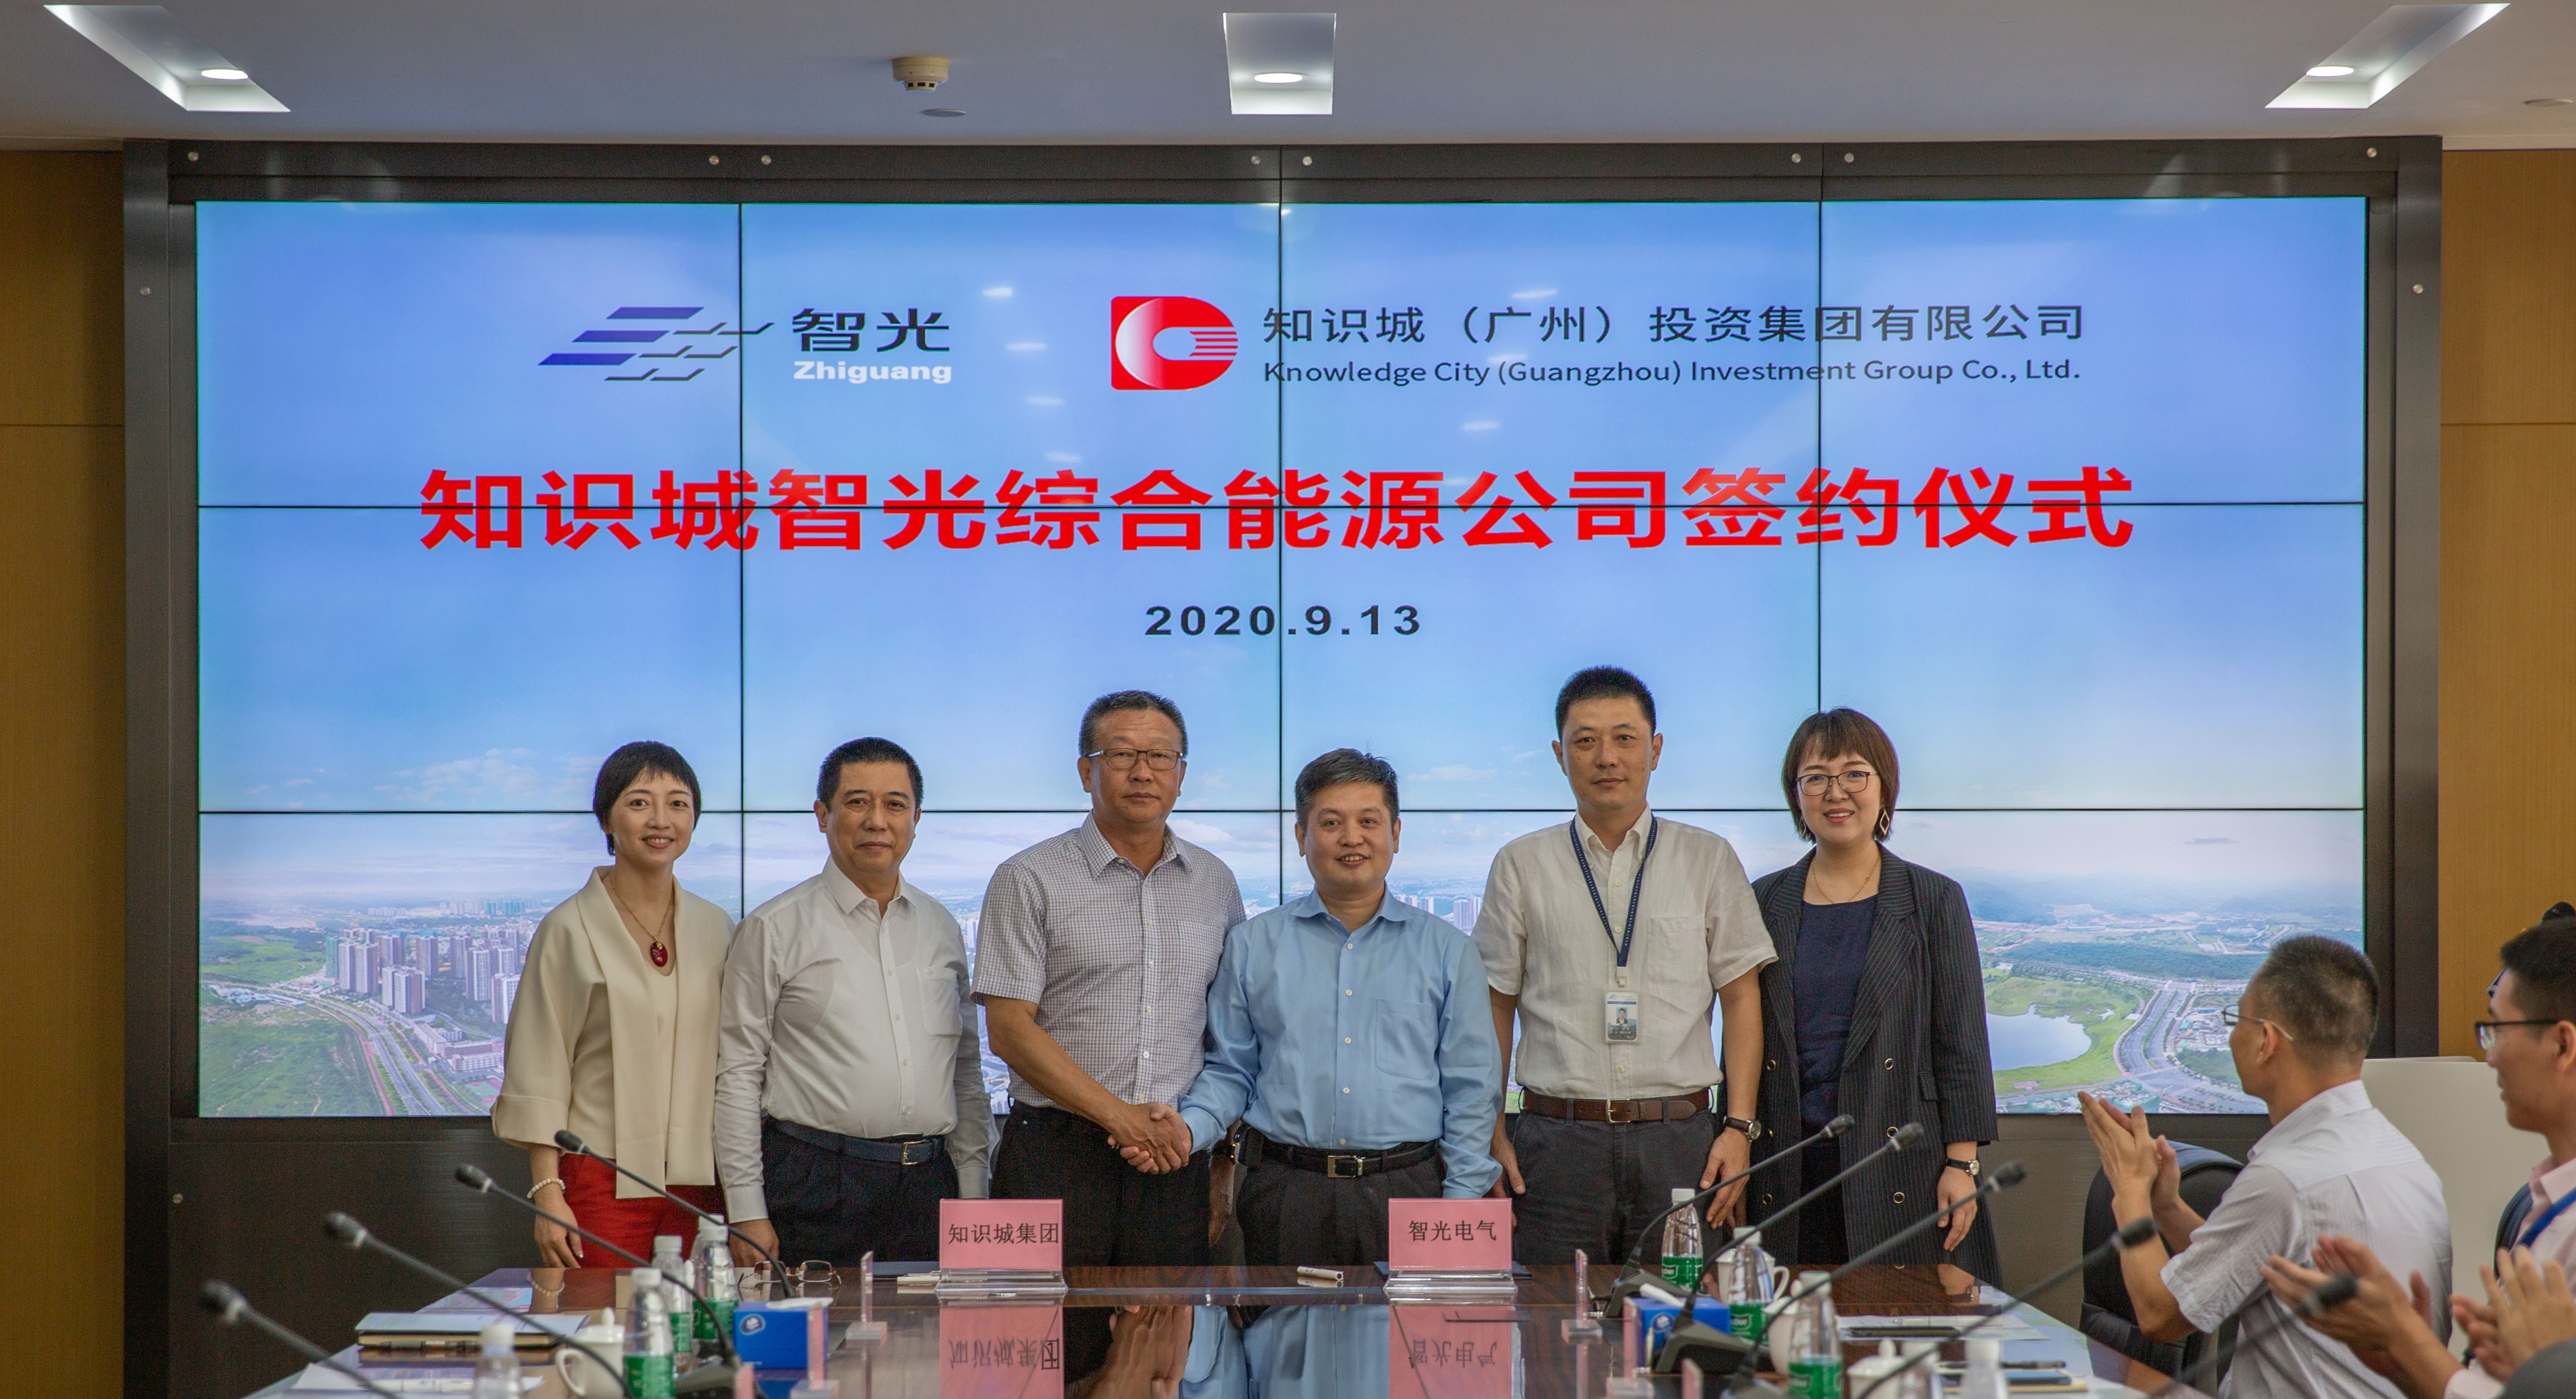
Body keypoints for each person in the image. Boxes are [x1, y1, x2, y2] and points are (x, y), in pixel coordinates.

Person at [1132, 749, 1499, 1265]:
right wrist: (1185, 1130)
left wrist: (1460, 1202)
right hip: (1286, 1189)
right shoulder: (1253, 944)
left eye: (1368, 821)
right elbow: (1231, 1071)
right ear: (1301, 837)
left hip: (1413, 1188)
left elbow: (1471, 1088)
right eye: (1330, 823)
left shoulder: (1446, 950)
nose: (1351, 837)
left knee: (1405, 1322)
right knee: (1283, 1322)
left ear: (1395, 834)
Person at [1475, 666, 1775, 1265]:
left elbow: (1742, 997)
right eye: (1585, 740)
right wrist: (1489, 1129)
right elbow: (1495, 1004)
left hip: (1680, 1142)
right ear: (1560, 755)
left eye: (1624, 738)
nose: (1606, 757)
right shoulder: (1520, 864)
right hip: (1554, 1143)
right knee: (1551, 1316)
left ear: (1654, 750)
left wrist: (1739, 1128)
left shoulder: (1708, 858)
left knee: (1680, 1314)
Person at [2083, 935, 2451, 1399]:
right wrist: (2167, 1207)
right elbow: (2249, 1260)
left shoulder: (2286, 1177)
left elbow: (2160, 1316)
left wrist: (2130, 1192)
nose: (2231, 1035)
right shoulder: (2402, 1156)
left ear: (2266, 1041)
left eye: (2236, 1020)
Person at [973, 690, 1248, 1264]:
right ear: (1086, 771)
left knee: (1164, 1318)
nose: (1142, 772)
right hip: (1054, 1153)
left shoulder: (1215, 882)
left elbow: (1228, 1036)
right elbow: (1008, 1029)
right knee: (1047, 1321)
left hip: (1173, 1156)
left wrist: (1220, 1159)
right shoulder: (1027, 877)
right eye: (1121, 754)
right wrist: (1120, 1117)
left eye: (1160, 756)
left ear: (1180, 775)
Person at [2258, 915, 2576, 1397]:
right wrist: (2402, 1357)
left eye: (2496, 1029)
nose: (2489, 1056)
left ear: (2562, 1044)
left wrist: (2406, 1337)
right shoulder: (2548, 1201)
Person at [713, 738, 994, 1267]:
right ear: (823, 814)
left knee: (928, 1323)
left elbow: (965, 1071)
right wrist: (746, 1209)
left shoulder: (941, 927)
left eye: (895, 804)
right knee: (813, 1324)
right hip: (815, 1181)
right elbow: (738, 1075)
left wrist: (974, 1194)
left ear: (916, 818)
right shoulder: (774, 927)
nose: (877, 821)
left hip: (929, 1185)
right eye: (857, 801)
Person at [1748, 709, 1999, 1279]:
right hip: (1787, 1162)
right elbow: (1745, 1036)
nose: (1835, 792)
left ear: (1883, 787)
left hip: (1901, 1163)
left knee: (1900, 1323)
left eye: (1854, 774)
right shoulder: (1764, 900)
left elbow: (1960, 1040)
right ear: (1796, 795)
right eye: (1815, 777)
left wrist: (1962, 1162)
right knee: (1785, 1324)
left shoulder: (1932, 898)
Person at [495, 741, 731, 1266]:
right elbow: (539, 1067)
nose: (660, 819)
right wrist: (547, 1191)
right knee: (603, 1314)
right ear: (606, 818)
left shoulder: (717, 927)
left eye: (678, 803)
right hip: (601, 1178)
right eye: (639, 802)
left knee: (699, 1314)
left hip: (703, 1181)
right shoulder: (567, 928)